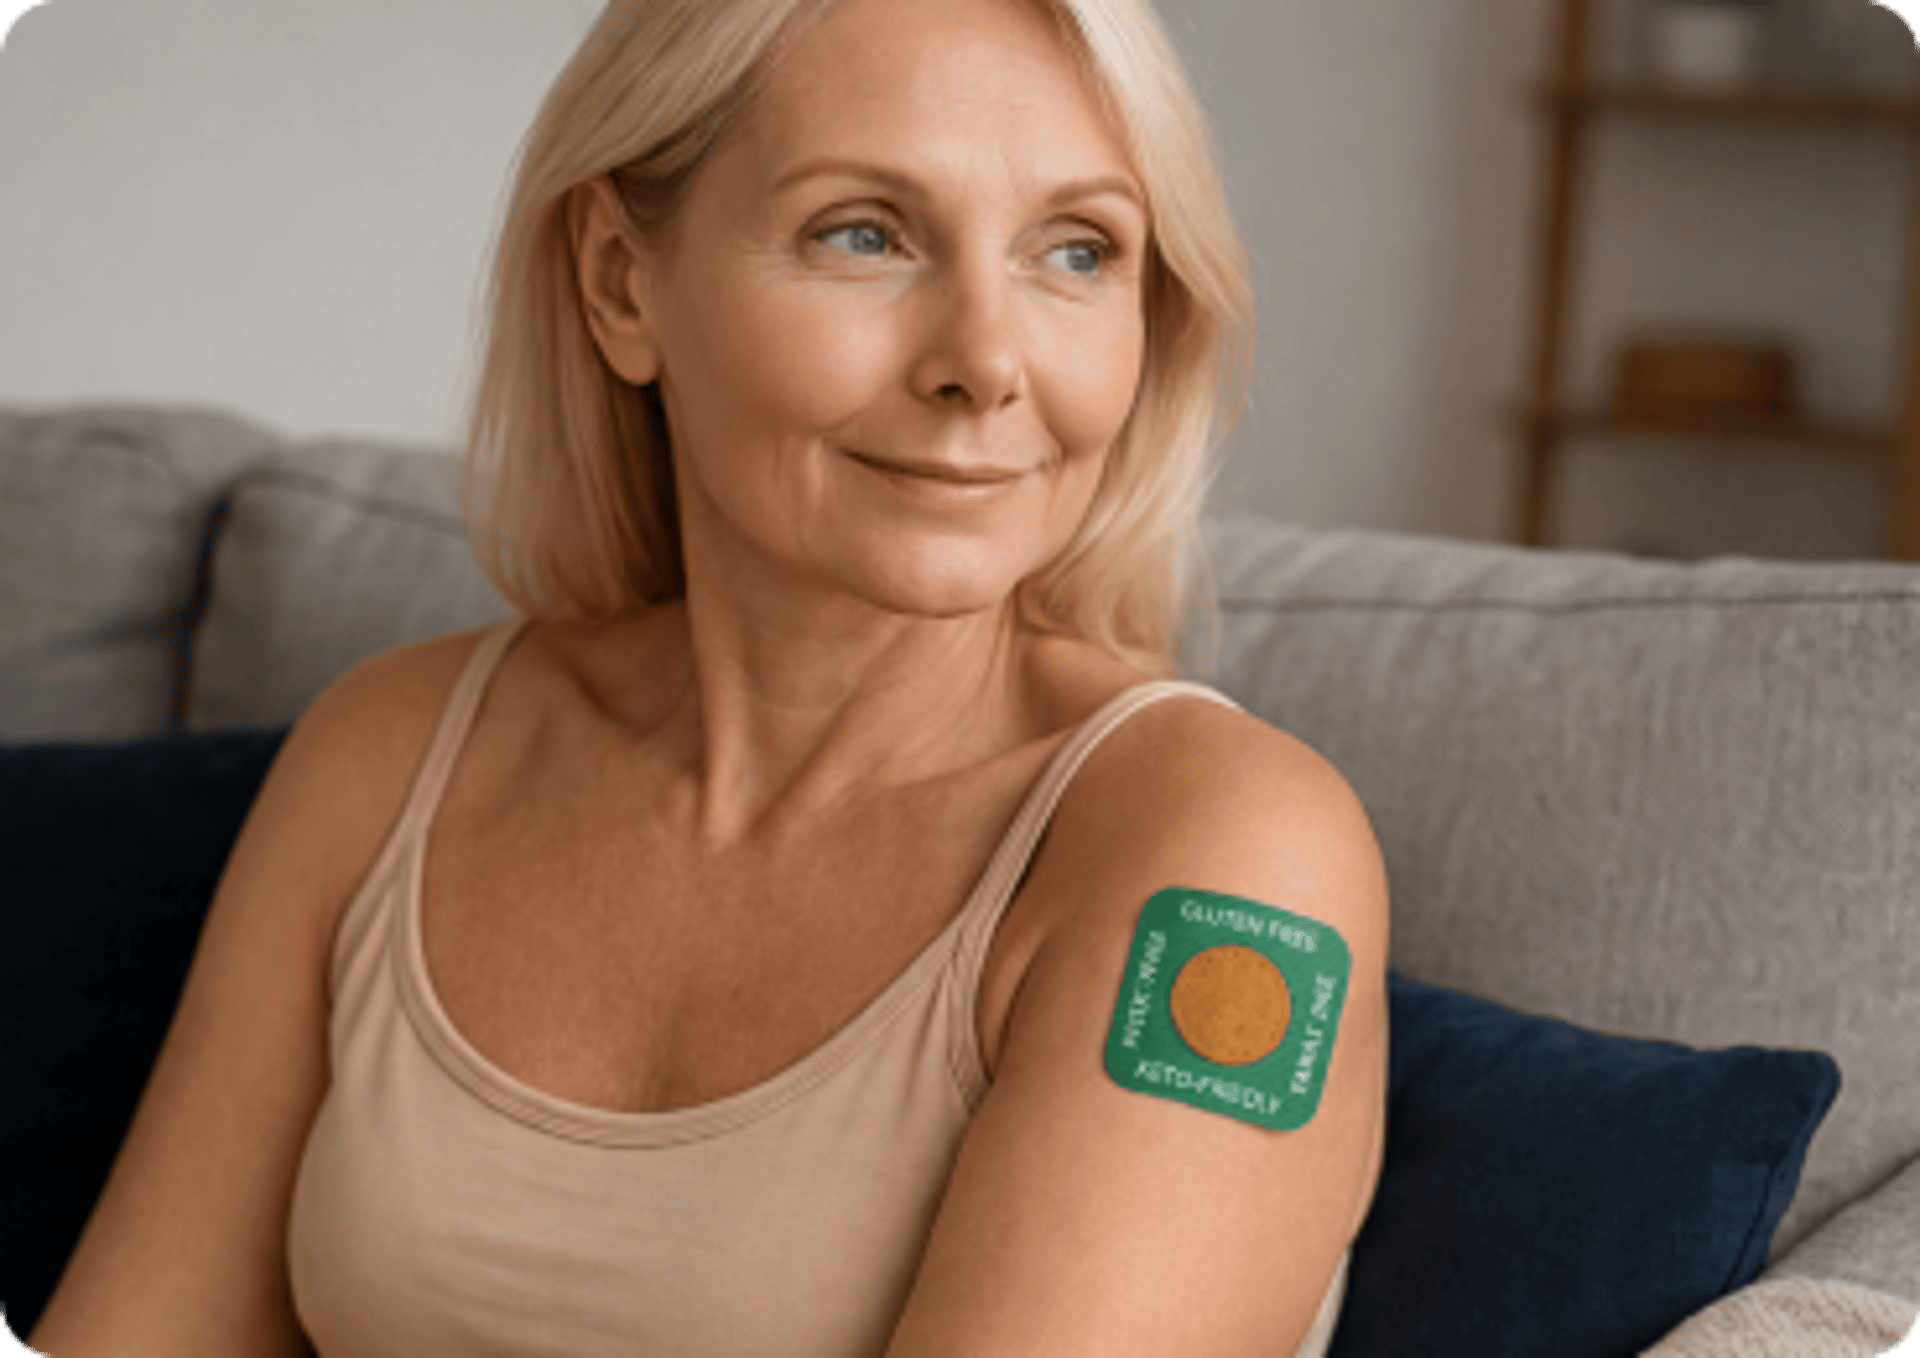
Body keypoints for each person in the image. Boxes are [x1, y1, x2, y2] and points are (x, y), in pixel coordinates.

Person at [30, 0, 1388, 1353]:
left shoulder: (1226, 862)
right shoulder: (383, 753)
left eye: (1076, 250)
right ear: (623, 281)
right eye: (865, 232)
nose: (986, 360)